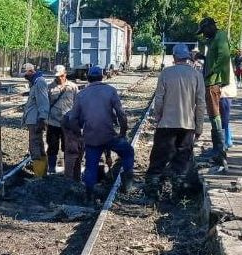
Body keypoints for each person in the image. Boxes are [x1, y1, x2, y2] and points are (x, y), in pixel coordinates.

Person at [145, 43, 205, 197]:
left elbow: (159, 99)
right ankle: (178, 192)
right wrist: (199, 127)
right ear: (188, 57)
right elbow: (200, 103)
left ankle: (152, 192)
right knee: (182, 160)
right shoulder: (196, 74)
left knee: (158, 159)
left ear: (174, 56)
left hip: (166, 124)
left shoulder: (166, 73)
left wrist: (158, 117)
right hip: (187, 125)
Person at [68, 65, 135, 200]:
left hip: (92, 138)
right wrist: (122, 132)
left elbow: (72, 119)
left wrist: (80, 135)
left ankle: (89, 194)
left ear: (87, 78)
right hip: (109, 136)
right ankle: (128, 182)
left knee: (90, 166)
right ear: (102, 76)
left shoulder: (81, 95)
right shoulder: (110, 91)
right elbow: (121, 114)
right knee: (128, 151)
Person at [197, 16, 231, 169]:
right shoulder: (212, 39)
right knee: (213, 115)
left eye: (204, 30)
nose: (203, 34)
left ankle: (220, 151)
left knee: (215, 115)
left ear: (210, 26)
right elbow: (212, 55)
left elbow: (223, 57)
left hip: (213, 82)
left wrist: (211, 72)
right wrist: (202, 55)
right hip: (210, 82)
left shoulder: (221, 36)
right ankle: (217, 149)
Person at [46, 64, 79, 177]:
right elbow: (46, 104)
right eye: (56, 76)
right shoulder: (49, 87)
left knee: (68, 147)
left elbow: (76, 104)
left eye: (60, 76)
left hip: (68, 123)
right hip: (53, 122)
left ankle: (67, 169)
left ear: (65, 74)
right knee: (52, 146)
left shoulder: (73, 87)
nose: (58, 78)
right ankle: (51, 168)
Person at [21, 62, 50, 177]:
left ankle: (39, 176)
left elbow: (43, 102)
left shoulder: (39, 82)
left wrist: (42, 119)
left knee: (35, 146)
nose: (25, 77)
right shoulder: (35, 82)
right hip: (33, 120)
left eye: (25, 74)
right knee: (39, 144)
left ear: (31, 71)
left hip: (36, 120)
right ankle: (42, 174)